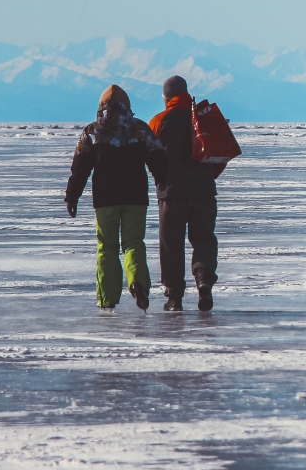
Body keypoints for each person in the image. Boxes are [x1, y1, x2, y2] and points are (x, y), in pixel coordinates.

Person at [65, 85, 168, 312]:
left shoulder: (92, 132)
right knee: (133, 243)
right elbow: (159, 159)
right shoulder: (139, 129)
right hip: (136, 197)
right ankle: (137, 284)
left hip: (105, 199)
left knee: (106, 247)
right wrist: (165, 184)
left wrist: (72, 196)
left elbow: (80, 169)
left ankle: (107, 299)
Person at [149, 75, 222, 312]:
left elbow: (149, 157)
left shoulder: (159, 121)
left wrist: (161, 181)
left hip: (171, 194)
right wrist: (209, 176)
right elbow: (219, 154)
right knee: (203, 238)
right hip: (203, 191)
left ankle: (174, 298)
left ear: (166, 97)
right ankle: (203, 281)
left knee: (171, 244)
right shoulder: (201, 120)